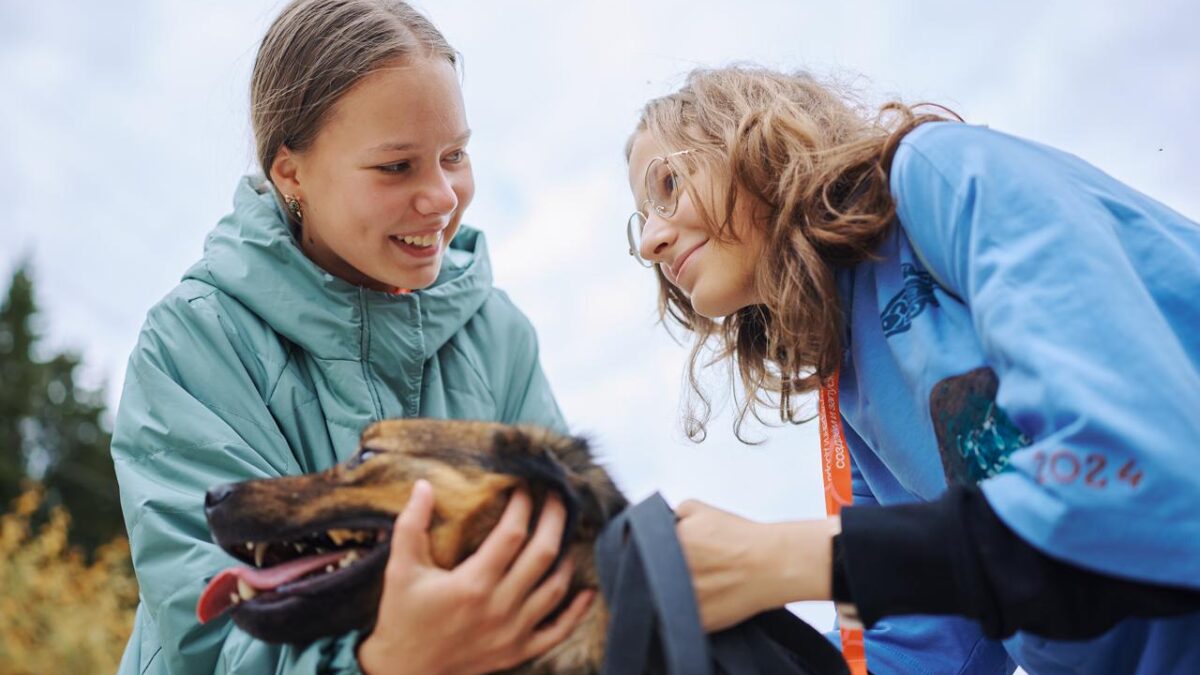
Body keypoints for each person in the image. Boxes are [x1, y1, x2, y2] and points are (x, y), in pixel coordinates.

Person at [625, 66, 1200, 674]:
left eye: (667, 185)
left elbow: (1149, 481)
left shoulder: (937, 175)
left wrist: (780, 560)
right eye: (640, 219)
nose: (649, 245)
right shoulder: (847, 390)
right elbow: (929, 645)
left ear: (748, 141)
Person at [110, 1, 592, 674]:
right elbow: (213, 632)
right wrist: (388, 658)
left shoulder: (499, 334)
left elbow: (565, 570)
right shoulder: (193, 342)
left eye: (454, 154)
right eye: (396, 167)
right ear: (291, 173)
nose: (442, 196)